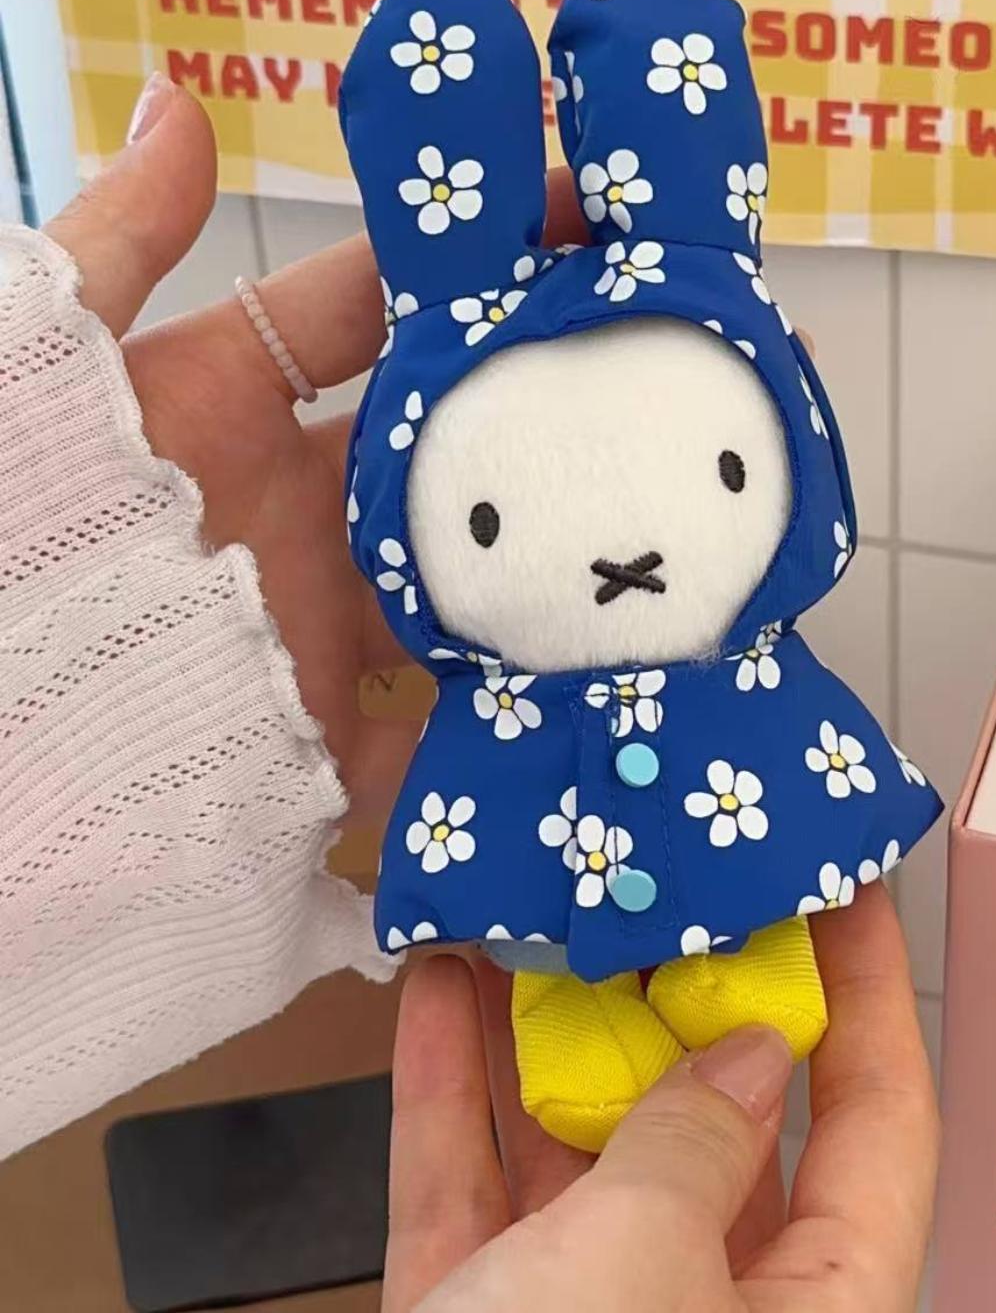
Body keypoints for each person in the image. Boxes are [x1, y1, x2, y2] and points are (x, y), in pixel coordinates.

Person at [0, 75, 938, 1308]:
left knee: (713, 905)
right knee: (520, 922)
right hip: (540, 897)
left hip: (716, 876)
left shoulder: (756, 677)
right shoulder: (484, 719)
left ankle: (731, 951)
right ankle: (573, 1007)